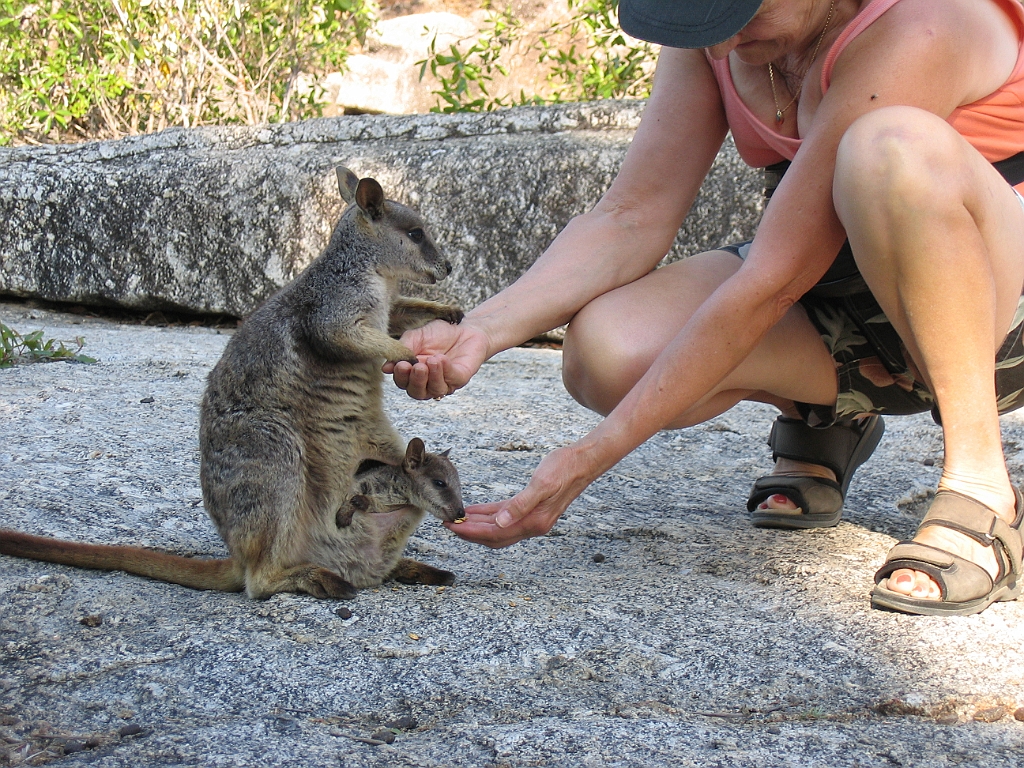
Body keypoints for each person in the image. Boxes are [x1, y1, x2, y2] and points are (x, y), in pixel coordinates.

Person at [386, 0, 1024, 617]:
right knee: (609, 351)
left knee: (890, 149)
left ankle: (980, 483)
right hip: (834, 295)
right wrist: (480, 332)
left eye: (740, 10)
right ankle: (824, 412)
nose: (725, 36)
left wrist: (586, 461)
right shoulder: (714, 34)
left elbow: (771, 279)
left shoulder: (924, 24)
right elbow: (630, 216)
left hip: (995, 317)